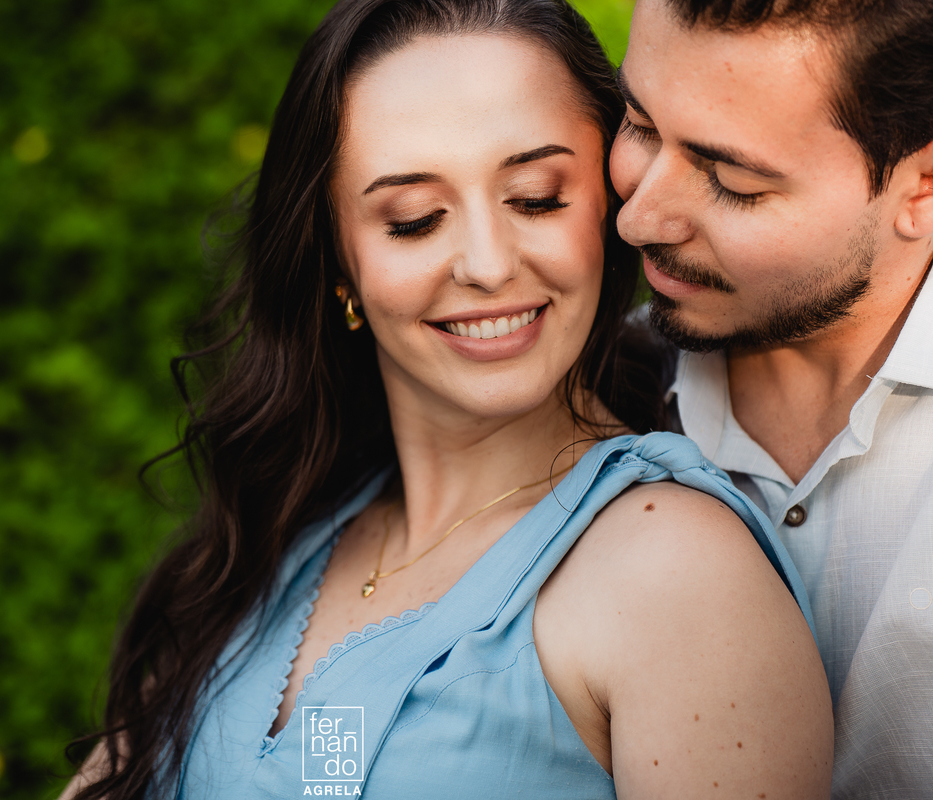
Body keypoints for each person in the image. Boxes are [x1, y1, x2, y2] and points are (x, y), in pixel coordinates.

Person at [63, 1, 832, 797]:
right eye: (414, 220)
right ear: (338, 262)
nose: (489, 264)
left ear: (610, 212)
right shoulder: (281, 535)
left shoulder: (674, 572)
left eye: (536, 197)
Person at [609, 0, 933, 796]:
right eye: (640, 125)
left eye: (731, 180)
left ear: (922, 187)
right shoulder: (582, 390)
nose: (638, 216)